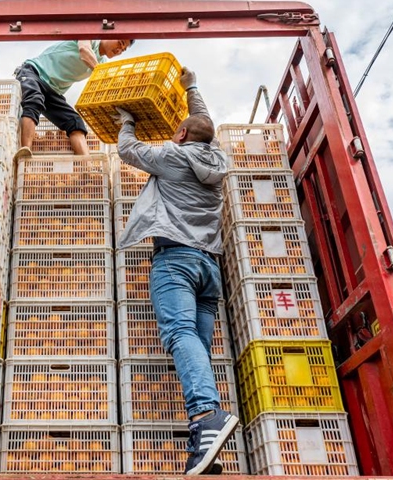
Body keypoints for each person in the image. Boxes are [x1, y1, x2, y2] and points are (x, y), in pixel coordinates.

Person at [113, 67, 238, 476]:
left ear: (181, 135)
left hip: (177, 262)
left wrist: (126, 122)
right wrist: (192, 89)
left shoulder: (173, 156)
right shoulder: (216, 157)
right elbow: (204, 124)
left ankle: (205, 417)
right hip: (209, 267)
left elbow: (129, 150)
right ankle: (204, 444)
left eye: (178, 130)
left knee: (179, 335)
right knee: (196, 349)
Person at [13, 39, 134, 160]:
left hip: (53, 91)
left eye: (123, 49)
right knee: (34, 100)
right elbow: (84, 50)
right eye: (120, 43)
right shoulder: (90, 38)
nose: (120, 50)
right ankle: (25, 153)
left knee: (75, 122)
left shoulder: (102, 63)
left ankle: (88, 169)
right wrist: (103, 73)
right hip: (35, 72)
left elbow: (103, 89)